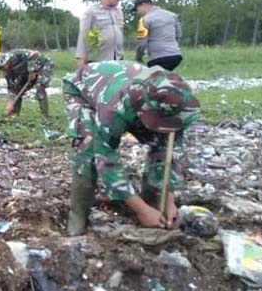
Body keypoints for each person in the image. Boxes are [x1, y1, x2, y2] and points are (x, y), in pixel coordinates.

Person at [63, 61, 200, 236]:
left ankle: (155, 209)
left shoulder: (176, 99)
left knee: (161, 144)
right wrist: (139, 209)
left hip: (136, 99)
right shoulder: (113, 107)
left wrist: (169, 200)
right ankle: (77, 222)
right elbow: (106, 159)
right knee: (88, 151)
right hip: (83, 91)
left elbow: (172, 152)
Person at [75, 0, 125, 76]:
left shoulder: (118, 12)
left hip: (117, 59)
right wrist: (81, 60)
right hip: (98, 60)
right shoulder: (91, 11)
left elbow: (120, 32)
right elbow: (83, 35)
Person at [0, 49, 53, 120]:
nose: (3, 70)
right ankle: (14, 114)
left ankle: (44, 116)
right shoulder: (7, 71)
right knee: (16, 89)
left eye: (3, 67)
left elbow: (34, 55)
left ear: (6, 62)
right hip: (26, 71)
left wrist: (32, 70)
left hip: (43, 65)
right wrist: (10, 102)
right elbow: (11, 87)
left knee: (40, 87)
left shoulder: (17, 54)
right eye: (0, 68)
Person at [134, 0, 183, 71]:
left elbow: (141, 43)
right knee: (165, 76)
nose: (137, 13)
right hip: (175, 56)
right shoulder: (172, 15)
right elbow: (178, 35)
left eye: (136, 9)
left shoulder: (143, 20)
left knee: (152, 80)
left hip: (157, 58)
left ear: (143, 5)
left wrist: (138, 57)